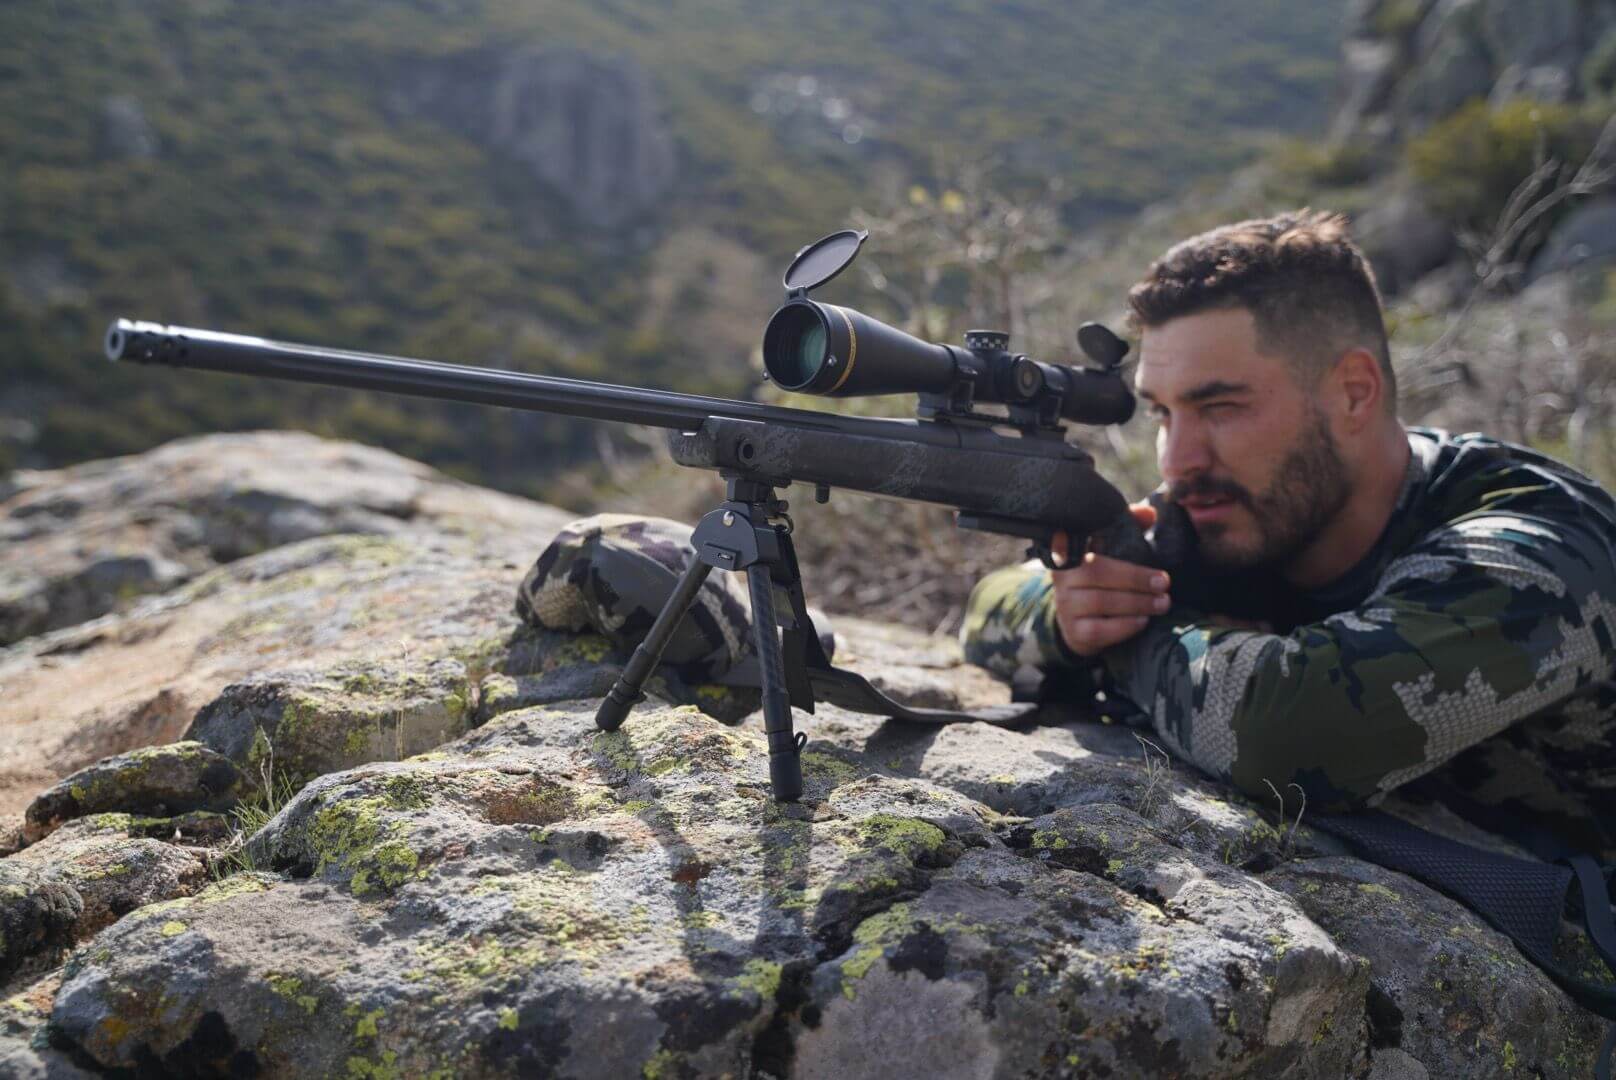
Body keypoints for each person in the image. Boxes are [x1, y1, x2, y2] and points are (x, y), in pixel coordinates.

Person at [962, 209, 1616, 861]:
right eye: (1163, 413)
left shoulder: (1541, 538)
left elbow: (1291, 733)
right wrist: (1072, 615)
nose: (1178, 461)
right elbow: (992, 604)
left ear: (1354, 392)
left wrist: (1130, 637)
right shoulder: (1229, 506)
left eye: (1220, 408)